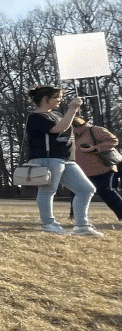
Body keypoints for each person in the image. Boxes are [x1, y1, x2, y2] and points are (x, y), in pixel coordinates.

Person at [24, 85, 102, 237]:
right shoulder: (36, 117)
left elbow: (65, 125)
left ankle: (82, 226)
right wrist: (72, 109)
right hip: (47, 159)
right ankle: (48, 224)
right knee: (48, 191)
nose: (60, 100)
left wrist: (72, 113)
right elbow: (58, 129)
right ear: (45, 99)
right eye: (57, 97)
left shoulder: (57, 115)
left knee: (86, 190)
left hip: (66, 160)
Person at [71, 116, 122, 224]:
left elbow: (114, 140)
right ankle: (74, 216)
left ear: (78, 126)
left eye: (73, 128)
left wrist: (95, 148)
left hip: (102, 168)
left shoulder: (95, 130)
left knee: (106, 192)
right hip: (83, 170)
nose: (72, 131)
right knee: (76, 191)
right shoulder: (75, 135)